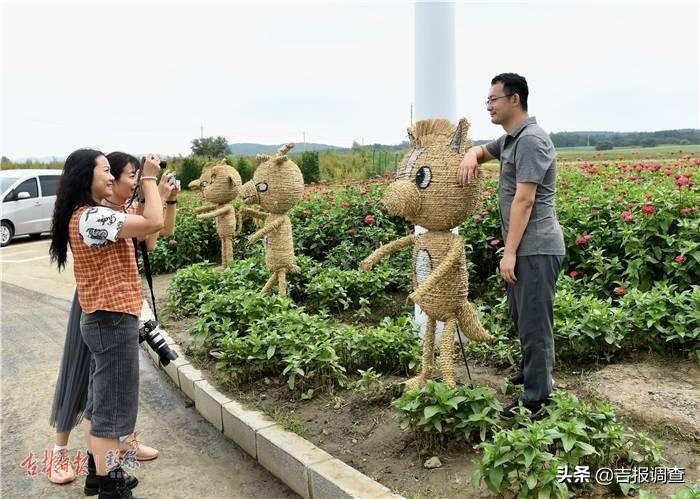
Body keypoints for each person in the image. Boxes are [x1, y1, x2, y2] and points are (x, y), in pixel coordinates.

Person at [47, 152, 179, 492]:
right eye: (107, 171)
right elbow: (151, 223)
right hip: (110, 319)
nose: (112, 177)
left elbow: (154, 225)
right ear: (85, 177)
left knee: (101, 402)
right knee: (111, 409)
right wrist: (150, 180)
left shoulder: (98, 215)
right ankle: (110, 483)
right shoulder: (92, 218)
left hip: (108, 319)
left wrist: (163, 196)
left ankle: (98, 473)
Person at [457, 73, 565, 420]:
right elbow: (483, 151)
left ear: (514, 100)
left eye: (494, 99)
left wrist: (510, 251)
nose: (489, 106)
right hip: (525, 247)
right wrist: (471, 156)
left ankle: (537, 398)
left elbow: (525, 200)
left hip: (534, 247)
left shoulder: (532, 140)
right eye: (487, 100)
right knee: (522, 315)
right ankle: (533, 372)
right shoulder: (510, 139)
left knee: (534, 321)